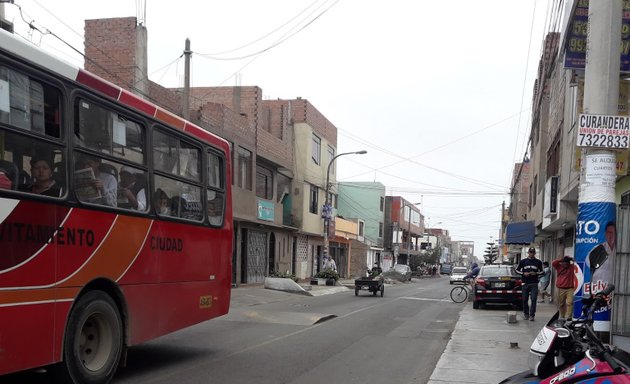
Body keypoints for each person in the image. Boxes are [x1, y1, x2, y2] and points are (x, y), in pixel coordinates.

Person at [516, 247, 544, 321]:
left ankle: (532, 315)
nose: (531, 254)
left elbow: (542, 272)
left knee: (534, 299)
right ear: (528, 253)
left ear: (535, 253)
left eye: (533, 252)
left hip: (534, 283)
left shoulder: (538, 262)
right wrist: (523, 273)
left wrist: (536, 273)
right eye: (530, 252)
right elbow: (517, 270)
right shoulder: (523, 261)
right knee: (525, 299)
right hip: (525, 283)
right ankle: (526, 314)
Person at [585, 221, 615, 291]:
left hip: (611, 288)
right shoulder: (599, 248)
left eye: (612, 233)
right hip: (597, 286)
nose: (610, 235)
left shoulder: (618, 250)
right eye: (608, 232)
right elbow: (589, 262)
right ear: (605, 234)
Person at [552, 255, 575, 322]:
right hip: (560, 288)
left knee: (570, 302)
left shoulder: (572, 267)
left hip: (570, 288)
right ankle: (562, 316)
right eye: (564, 263)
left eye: (567, 263)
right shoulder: (559, 267)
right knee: (561, 303)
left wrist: (572, 259)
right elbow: (554, 262)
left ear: (569, 263)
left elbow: (578, 264)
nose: (565, 264)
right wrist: (561, 259)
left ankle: (569, 317)